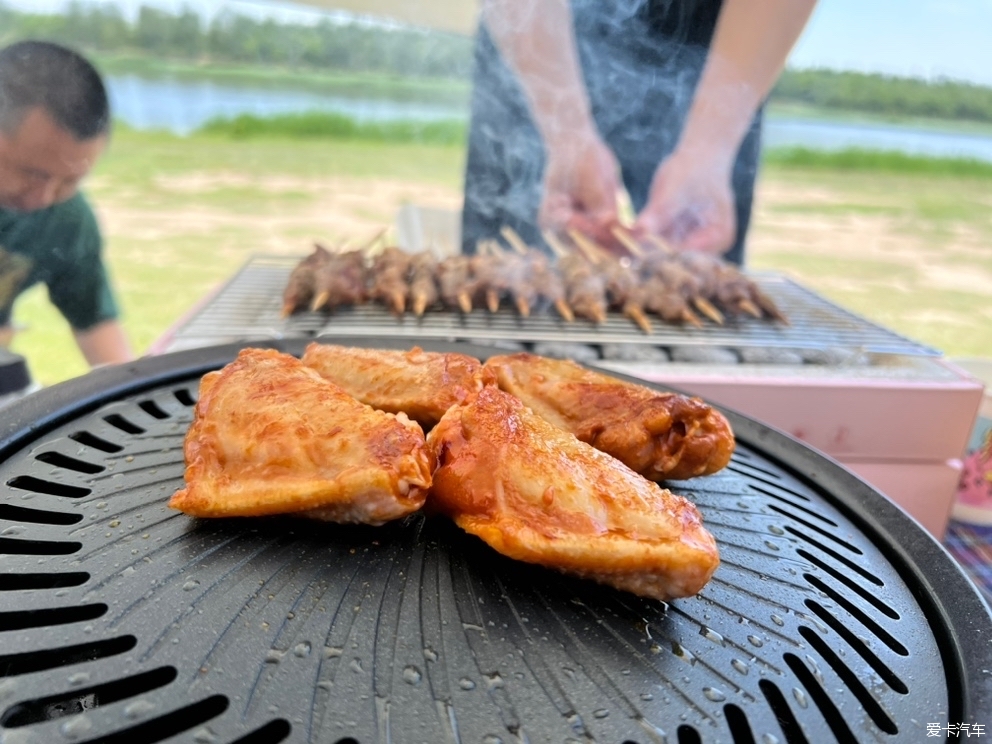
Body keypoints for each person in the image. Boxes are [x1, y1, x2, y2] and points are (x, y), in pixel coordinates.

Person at [461, 0, 818, 264]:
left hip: (727, 47)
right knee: (506, 274)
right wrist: (567, 139)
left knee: (691, 259)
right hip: (533, 41)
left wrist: (708, 153)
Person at [0, 40, 132, 368]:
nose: (42, 198)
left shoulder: (66, 219)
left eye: (69, 180)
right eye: (31, 173)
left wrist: (125, 384)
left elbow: (95, 322)